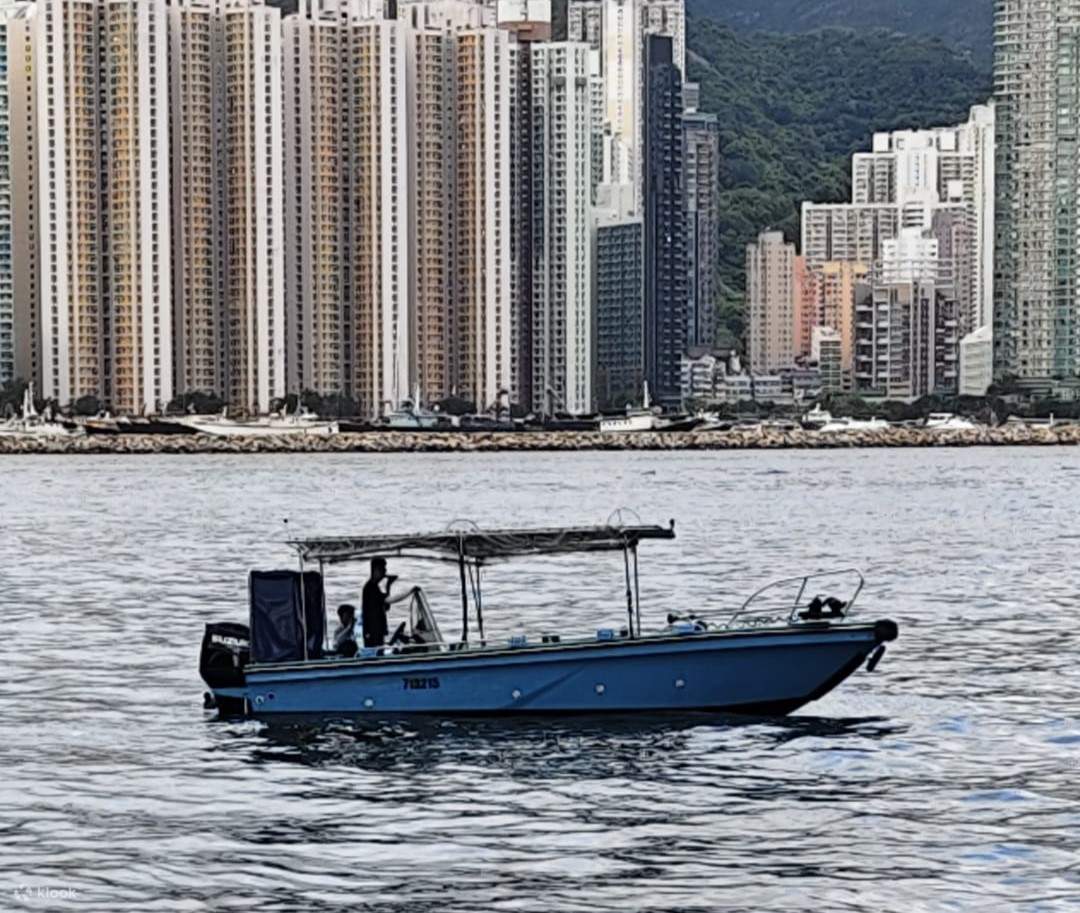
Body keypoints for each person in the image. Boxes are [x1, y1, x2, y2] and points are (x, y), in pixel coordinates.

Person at [360, 558, 413, 648]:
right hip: (372, 631)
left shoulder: (376, 587)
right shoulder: (370, 588)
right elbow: (389, 600)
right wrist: (410, 592)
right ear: (376, 570)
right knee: (375, 654)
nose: (385, 572)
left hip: (378, 629)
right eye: (383, 570)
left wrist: (388, 585)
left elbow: (386, 607)